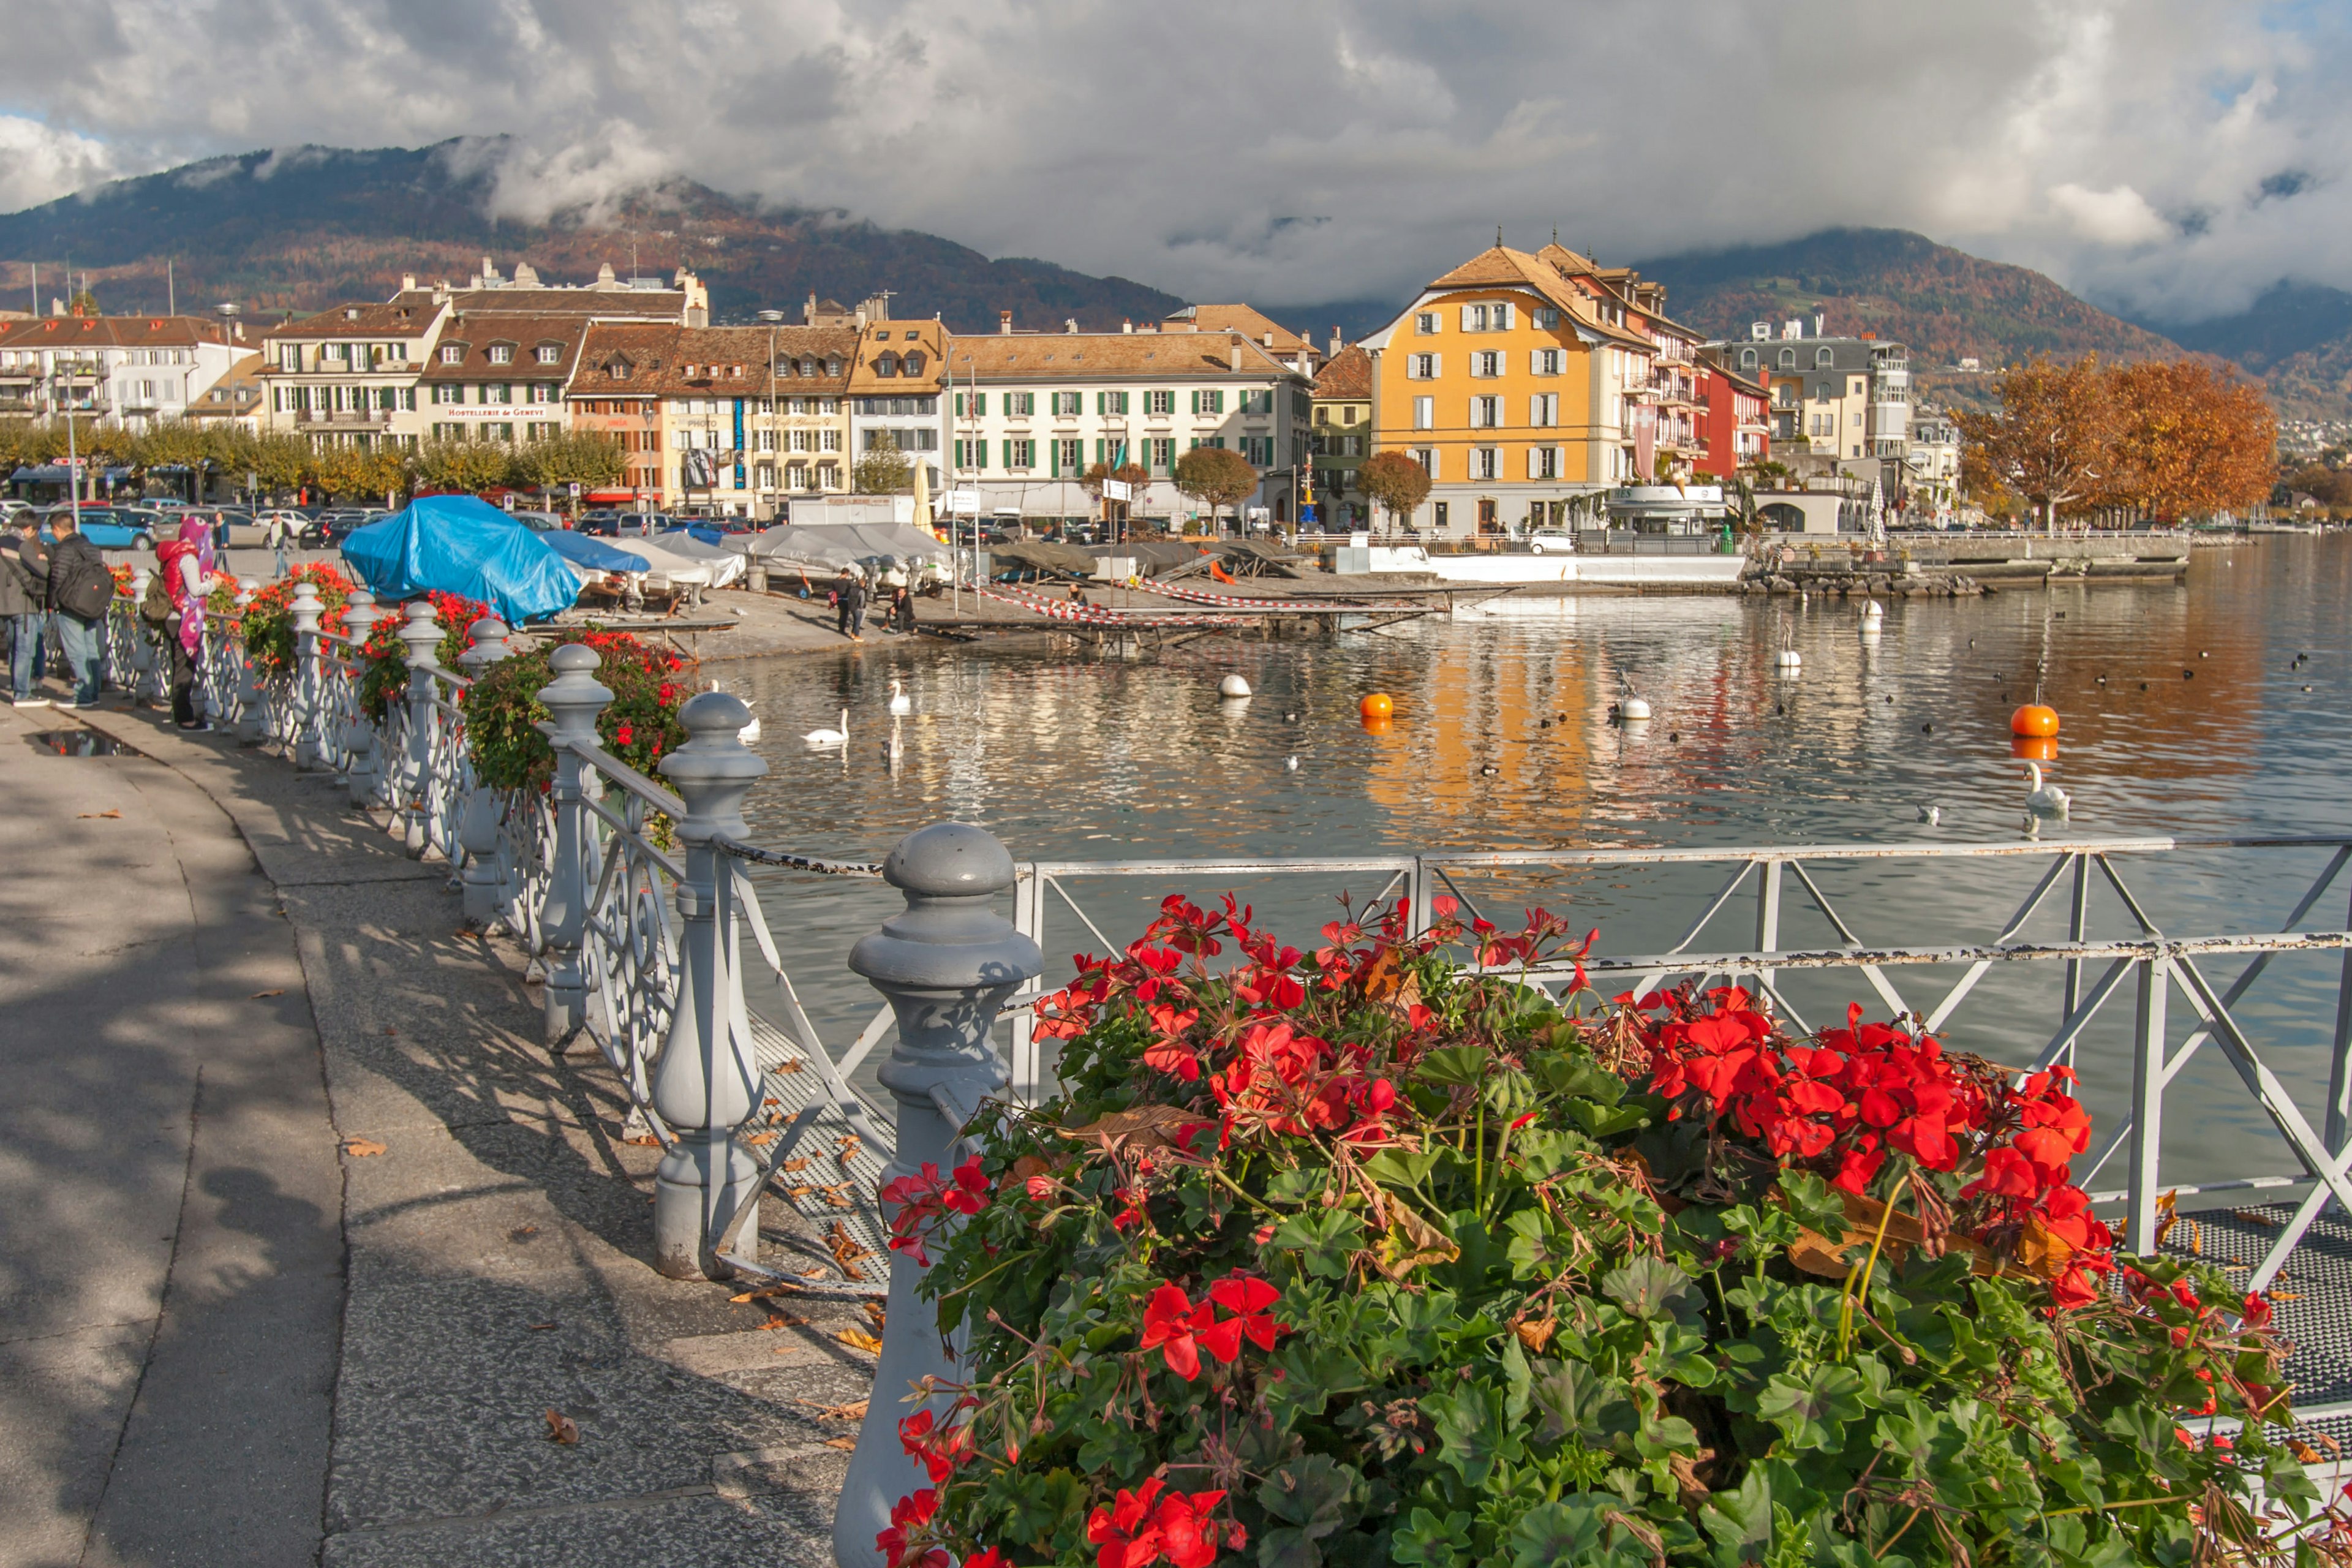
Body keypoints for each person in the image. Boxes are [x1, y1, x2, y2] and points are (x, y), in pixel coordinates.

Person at [44, 512, 111, 710]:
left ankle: (83, 694)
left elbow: (57, 577)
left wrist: (53, 602)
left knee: (76, 651)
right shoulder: (90, 547)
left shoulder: (64, 549)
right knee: (91, 648)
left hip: (70, 605)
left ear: (57, 529)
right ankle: (94, 692)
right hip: (91, 604)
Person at [157, 516, 215, 729]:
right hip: (184, 619)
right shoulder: (188, 557)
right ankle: (185, 719)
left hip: (172, 616)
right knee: (184, 669)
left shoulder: (174, 554)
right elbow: (195, 589)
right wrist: (213, 585)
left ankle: (180, 712)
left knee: (179, 665)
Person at [0, 516, 48, 706]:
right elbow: (43, 571)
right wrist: (44, 561)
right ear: (28, 529)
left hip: (4, 605)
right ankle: (22, 693)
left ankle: (16, 685)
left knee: (14, 647)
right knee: (25, 649)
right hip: (23, 604)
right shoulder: (21, 545)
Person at [833, 567, 865, 641]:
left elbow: (833, 591)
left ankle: (841, 628)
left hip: (838, 599)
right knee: (845, 615)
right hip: (845, 599)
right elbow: (852, 588)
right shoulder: (847, 582)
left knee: (841, 614)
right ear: (847, 573)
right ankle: (842, 630)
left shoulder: (835, 581)